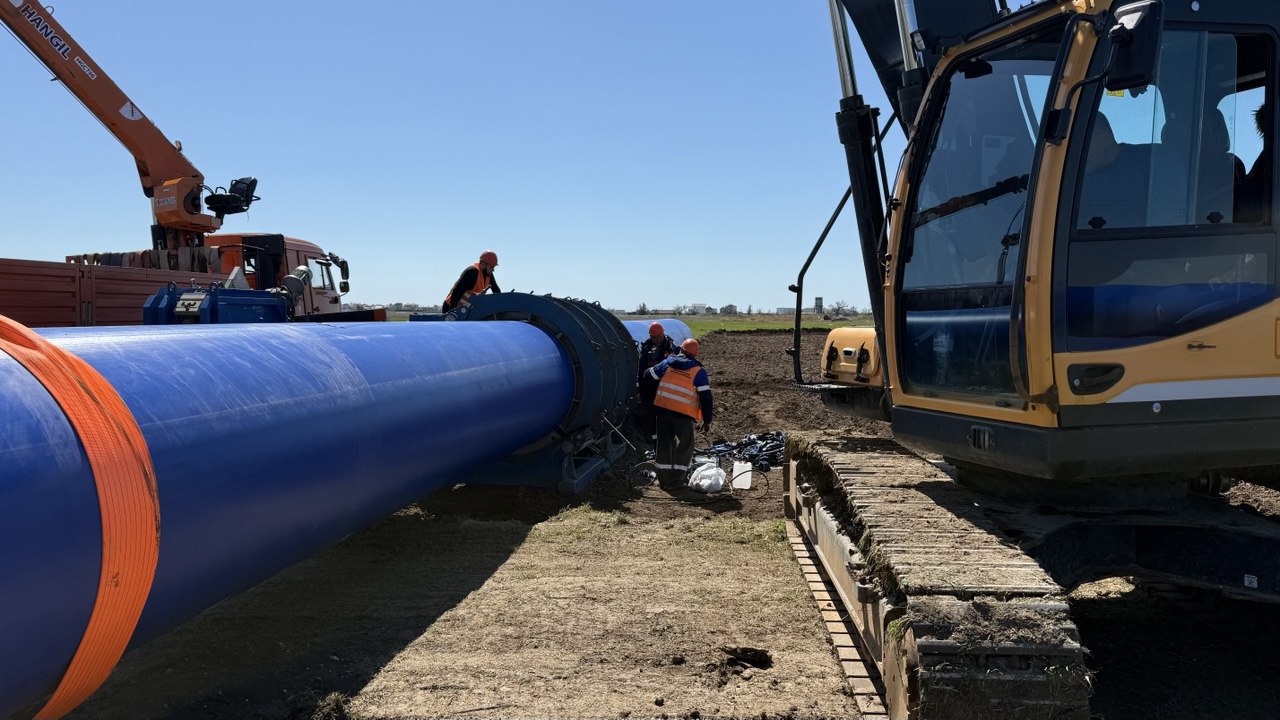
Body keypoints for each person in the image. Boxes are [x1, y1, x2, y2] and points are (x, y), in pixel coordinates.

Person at [646, 338, 713, 490]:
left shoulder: (667, 364)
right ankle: (676, 480)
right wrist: (707, 420)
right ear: (695, 354)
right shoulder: (698, 371)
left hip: (662, 412)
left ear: (681, 349)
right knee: (686, 444)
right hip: (683, 415)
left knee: (664, 444)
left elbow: (648, 376)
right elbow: (706, 398)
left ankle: (664, 481)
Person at [636, 322, 677, 443]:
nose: (656, 340)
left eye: (658, 336)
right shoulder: (647, 348)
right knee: (652, 417)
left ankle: (670, 440)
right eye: (654, 337)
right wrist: (641, 390)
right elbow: (641, 370)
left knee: (667, 417)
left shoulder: (671, 348)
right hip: (650, 390)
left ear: (663, 334)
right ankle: (656, 443)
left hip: (666, 390)